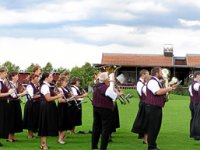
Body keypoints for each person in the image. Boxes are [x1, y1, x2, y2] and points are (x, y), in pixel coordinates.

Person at [145, 67, 176, 150]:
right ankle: (151, 147)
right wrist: (168, 89)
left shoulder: (156, 81)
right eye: (161, 72)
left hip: (156, 107)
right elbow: (157, 92)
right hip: (152, 107)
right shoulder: (152, 81)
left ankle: (153, 145)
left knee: (156, 127)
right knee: (153, 128)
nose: (162, 74)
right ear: (156, 73)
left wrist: (169, 89)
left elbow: (160, 91)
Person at [91, 72, 122, 150]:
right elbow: (114, 97)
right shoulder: (106, 88)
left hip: (96, 108)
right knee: (105, 129)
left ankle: (94, 146)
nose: (109, 79)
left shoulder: (95, 86)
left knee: (96, 127)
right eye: (108, 78)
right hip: (105, 109)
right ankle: (103, 147)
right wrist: (119, 94)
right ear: (105, 79)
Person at [38, 72, 62, 150]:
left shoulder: (48, 86)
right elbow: (48, 99)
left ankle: (44, 144)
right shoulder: (45, 86)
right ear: (46, 78)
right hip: (46, 106)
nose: (52, 78)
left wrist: (56, 93)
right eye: (51, 77)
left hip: (48, 106)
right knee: (44, 124)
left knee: (47, 124)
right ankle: (43, 144)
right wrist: (58, 96)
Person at [6, 71, 27, 142]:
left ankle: (13, 136)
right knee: (11, 120)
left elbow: (17, 95)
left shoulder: (15, 84)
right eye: (16, 76)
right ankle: (9, 137)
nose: (17, 77)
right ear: (12, 77)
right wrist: (23, 93)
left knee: (16, 119)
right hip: (11, 103)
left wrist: (23, 92)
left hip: (16, 103)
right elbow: (13, 95)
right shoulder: (9, 84)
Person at [132, 69, 149, 144]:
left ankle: (142, 135)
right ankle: (145, 138)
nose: (149, 75)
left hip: (144, 102)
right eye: (148, 74)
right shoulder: (140, 84)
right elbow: (143, 94)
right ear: (143, 74)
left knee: (144, 120)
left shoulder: (143, 83)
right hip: (144, 103)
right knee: (145, 120)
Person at [0, 67, 15, 147]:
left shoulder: (2, 82)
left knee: (2, 122)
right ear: (0, 73)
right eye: (5, 73)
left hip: (4, 103)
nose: (6, 75)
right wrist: (8, 93)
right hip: (1, 104)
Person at [23, 73, 41, 138]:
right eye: (36, 78)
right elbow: (32, 96)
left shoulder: (35, 85)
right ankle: (29, 135)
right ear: (32, 78)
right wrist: (41, 95)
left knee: (34, 119)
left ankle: (32, 134)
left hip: (36, 104)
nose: (38, 79)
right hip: (31, 104)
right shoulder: (30, 86)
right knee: (31, 119)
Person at [189, 71, 200, 140]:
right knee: (197, 119)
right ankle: (197, 135)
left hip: (195, 103)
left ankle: (194, 134)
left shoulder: (195, 84)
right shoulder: (196, 84)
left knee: (195, 118)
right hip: (197, 103)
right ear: (197, 76)